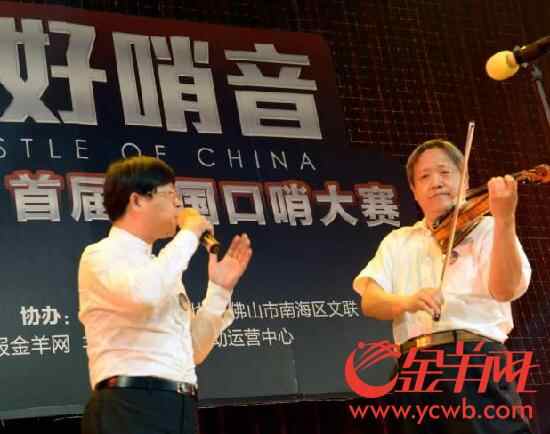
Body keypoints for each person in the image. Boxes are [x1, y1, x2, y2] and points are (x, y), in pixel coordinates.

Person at [353, 139, 532, 433]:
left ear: (466, 179)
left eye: (445, 172)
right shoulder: (398, 240)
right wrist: (408, 301)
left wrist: (504, 218)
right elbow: (370, 301)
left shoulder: (487, 228)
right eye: (425, 176)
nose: (436, 182)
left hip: (475, 358)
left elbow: (506, 290)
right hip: (415, 367)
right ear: (414, 191)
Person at [78, 156, 252, 434]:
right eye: (170, 194)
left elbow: (193, 350)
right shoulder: (101, 255)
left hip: (178, 406)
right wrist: (190, 233)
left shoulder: (161, 268)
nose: (178, 204)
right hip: (129, 405)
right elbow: (144, 293)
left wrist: (219, 290)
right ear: (137, 201)